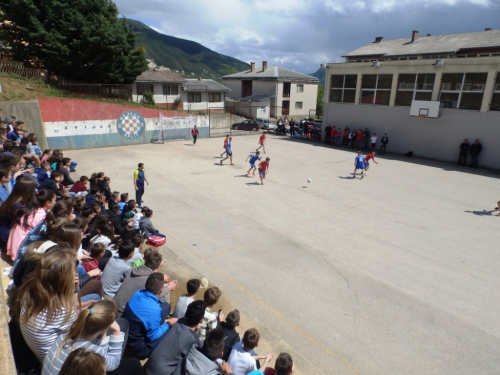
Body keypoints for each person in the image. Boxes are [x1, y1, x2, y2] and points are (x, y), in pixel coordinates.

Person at [16, 246, 83, 362]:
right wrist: (75, 290)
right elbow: (76, 321)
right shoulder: (62, 311)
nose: (75, 272)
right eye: (73, 269)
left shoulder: (29, 288)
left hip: (37, 352)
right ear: (63, 279)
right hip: (54, 360)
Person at [42, 300, 129, 375]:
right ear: (104, 329)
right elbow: (114, 363)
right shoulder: (91, 352)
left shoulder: (64, 335)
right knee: (132, 364)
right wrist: (116, 331)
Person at [121, 273, 178, 360]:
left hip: (125, 335)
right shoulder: (155, 310)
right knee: (168, 331)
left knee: (165, 306)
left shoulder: (138, 293)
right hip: (137, 349)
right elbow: (152, 337)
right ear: (161, 289)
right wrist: (169, 323)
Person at [145, 300, 206, 375]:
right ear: (201, 320)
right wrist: (198, 331)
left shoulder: (178, 322)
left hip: (149, 366)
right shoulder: (193, 339)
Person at [114, 249, 175, 316]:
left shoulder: (134, 270)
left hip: (115, 303)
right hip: (123, 311)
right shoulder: (149, 280)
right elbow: (153, 295)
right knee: (162, 298)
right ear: (157, 267)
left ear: (145, 261)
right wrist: (169, 287)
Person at [6, 188, 56, 261]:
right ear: (48, 202)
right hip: (20, 251)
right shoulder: (40, 215)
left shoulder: (29, 208)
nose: (55, 202)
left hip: (13, 246)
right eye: (54, 200)